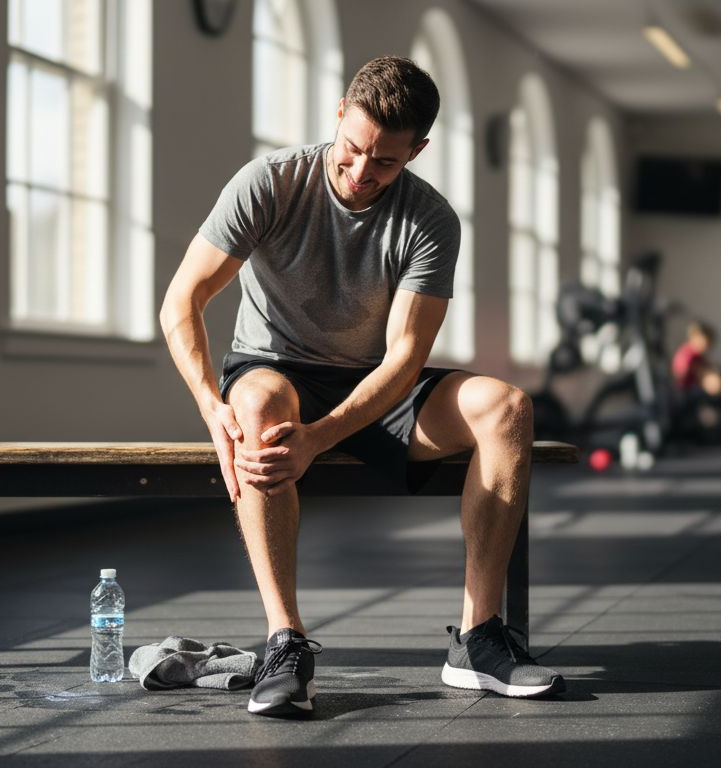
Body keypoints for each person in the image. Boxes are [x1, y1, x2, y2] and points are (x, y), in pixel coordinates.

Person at [159, 56, 565, 717]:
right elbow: (183, 300)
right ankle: (285, 643)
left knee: (507, 408)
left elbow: (404, 359)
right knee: (258, 405)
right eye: (352, 148)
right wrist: (212, 407)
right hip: (276, 369)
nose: (359, 171)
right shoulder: (270, 182)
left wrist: (319, 438)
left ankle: (478, 639)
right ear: (339, 115)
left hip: (376, 384)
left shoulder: (431, 220)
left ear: (417, 152)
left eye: (385, 162)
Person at [672, 320, 721, 397]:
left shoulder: (697, 356)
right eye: (705, 341)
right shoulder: (688, 356)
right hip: (685, 395)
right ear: (694, 337)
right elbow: (682, 373)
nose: (706, 345)